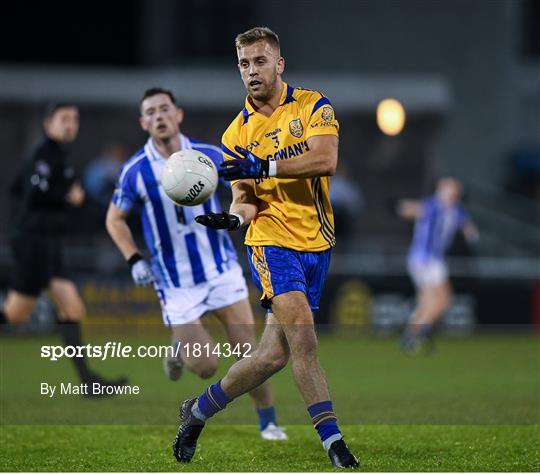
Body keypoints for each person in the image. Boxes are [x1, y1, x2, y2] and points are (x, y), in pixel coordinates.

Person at [172, 27, 359, 469]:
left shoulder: (314, 105)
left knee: (271, 356)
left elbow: (325, 159)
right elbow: (246, 201)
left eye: (259, 61)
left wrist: (268, 164)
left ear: (279, 64)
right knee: (305, 341)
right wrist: (232, 218)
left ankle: (196, 411)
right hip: (271, 242)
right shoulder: (236, 135)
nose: (251, 71)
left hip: (317, 242)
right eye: (243, 64)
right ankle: (334, 443)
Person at [105, 87, 287, 441]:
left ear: (178, 114)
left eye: (164, 109)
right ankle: (179, 348)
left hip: (220, 270)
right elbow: (115, 219)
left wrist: (240, 207)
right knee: (206, 367)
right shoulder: (135, 171)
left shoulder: (208, 155)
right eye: (151, 112)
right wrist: (133, 259)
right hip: (175, 282)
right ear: (144, 122)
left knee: (249, 353)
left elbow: (244, 187)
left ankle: (269, 422)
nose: (159, 116)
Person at [0, 103, 126, 392]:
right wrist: (67, 197)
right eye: (64, 119)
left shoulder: (56, 156)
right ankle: (87, 381)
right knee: (27, 313)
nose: (70, 124)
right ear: (48, 124)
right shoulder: (45, 155)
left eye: (74, 119)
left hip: (46, 243)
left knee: (58, 309)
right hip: (35, 243)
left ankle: (87, 382)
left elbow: (15, 187)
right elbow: (35, 190)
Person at [396, 177, 479, 353]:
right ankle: (418, 333)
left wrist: (469, 231)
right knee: (440, 298)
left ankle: (415, 334)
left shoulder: (455, 209)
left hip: (433, 260)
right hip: (425, 259)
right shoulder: (433, 206)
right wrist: (402, 207)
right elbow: (413, 209)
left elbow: (466, 225)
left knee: (430, 300)